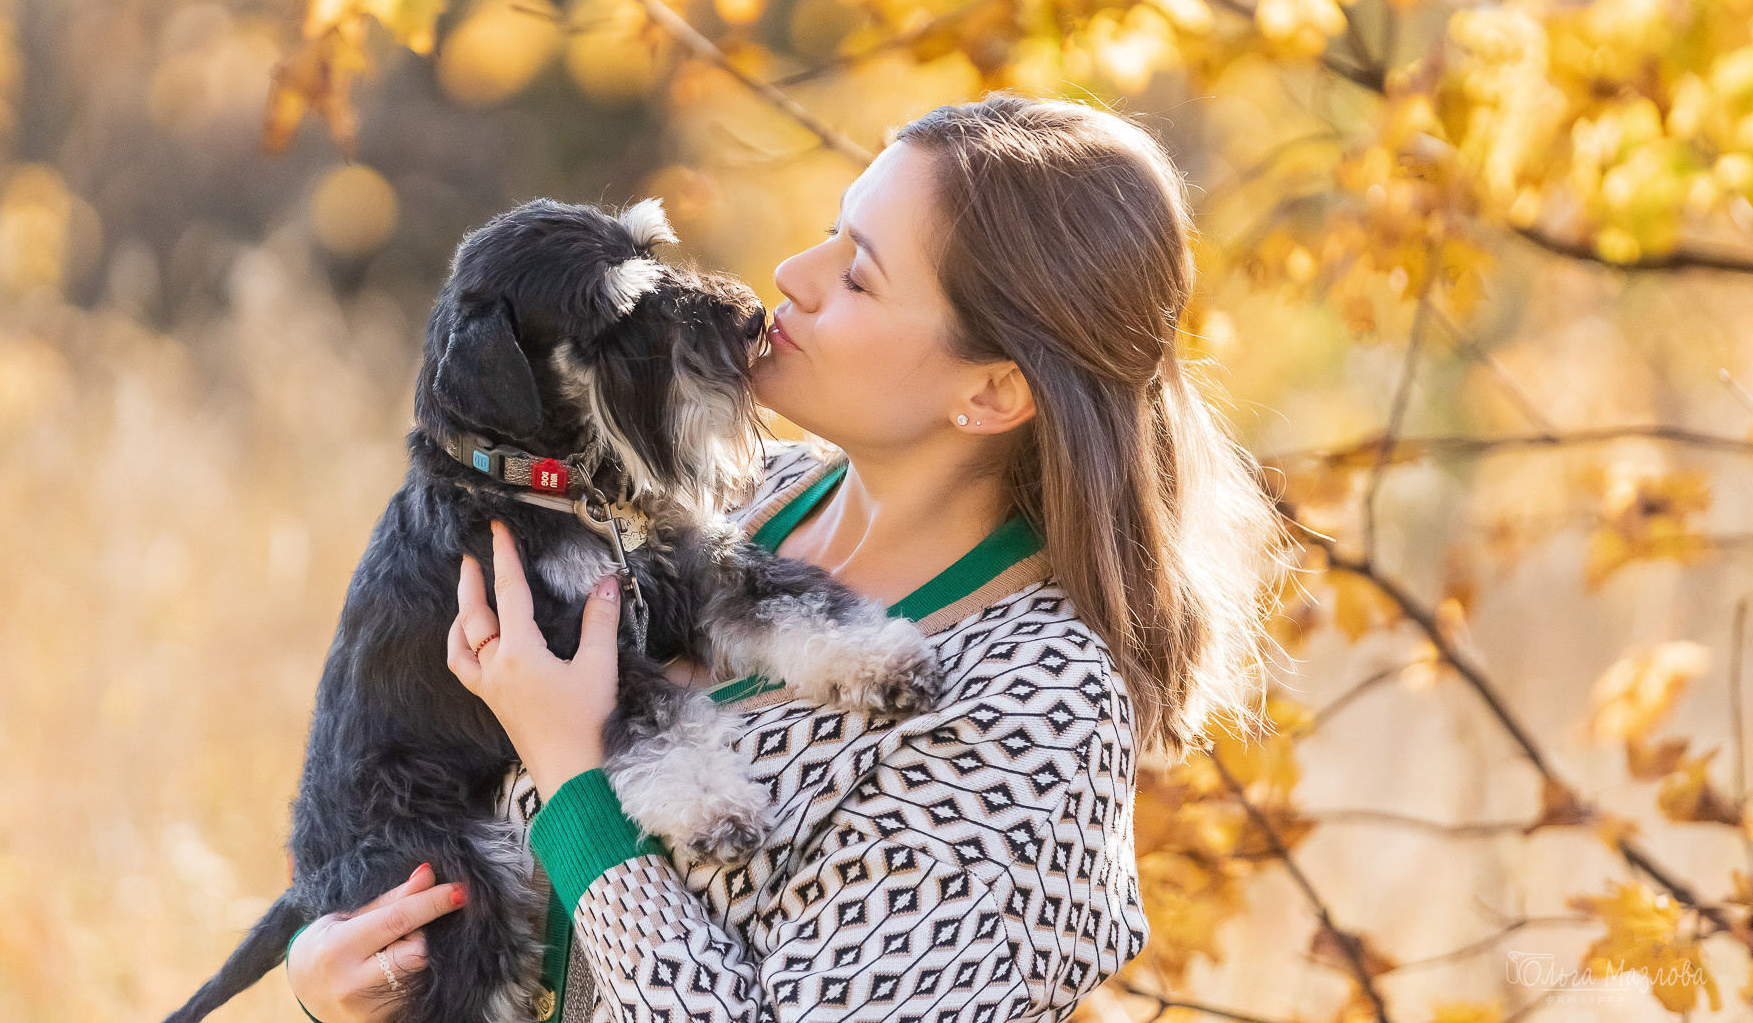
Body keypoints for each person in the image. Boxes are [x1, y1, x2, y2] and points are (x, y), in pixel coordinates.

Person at [280, 94, 1287, 1022]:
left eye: (857, 274)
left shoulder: (1034, 707)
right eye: (829, 230)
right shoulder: (739, 500)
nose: (791, 279)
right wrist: (339, 969)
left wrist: (573, 772)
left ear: (988, 393)